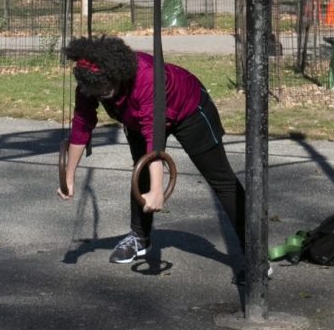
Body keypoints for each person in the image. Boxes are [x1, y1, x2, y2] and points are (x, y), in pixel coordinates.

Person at [58, 35, 247, 275]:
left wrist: (159, 191)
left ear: (118, 75)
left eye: (105, 90)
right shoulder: (90, 81)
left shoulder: (146, 77)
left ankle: (253, 252)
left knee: (221, 179)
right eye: (96, 92)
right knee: (141, 176)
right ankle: (140, 237)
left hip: (189, 109)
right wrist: (69, 176)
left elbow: (153, 132)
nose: (102, 95)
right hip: (136, 117)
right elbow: (82, 124)